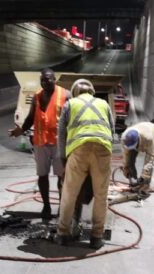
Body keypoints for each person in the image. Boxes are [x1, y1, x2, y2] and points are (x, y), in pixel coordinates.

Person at [55, 79, 115, 249]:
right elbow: (111, 129)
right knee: (101, 196)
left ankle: (62, 234)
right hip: (103, 149)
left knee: (69, 194)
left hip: (79, 150)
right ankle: (96, 237)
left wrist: (64, 160)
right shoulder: (104, 104)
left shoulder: (70, 104)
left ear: (75, 92)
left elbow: (61, 133)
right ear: (92, 92)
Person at [8, 68, 71, 219]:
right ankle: (46, 206)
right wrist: (21, 130)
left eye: (48, 79)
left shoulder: (66, 95)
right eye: (42, 80)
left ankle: (62, 207)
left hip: (59, 143)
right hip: (41, 142)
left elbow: (71, 119)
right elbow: (31, 117)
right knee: (42, 176)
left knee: (62, 177)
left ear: (54, 79)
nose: (45, 82)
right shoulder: (36, 97)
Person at [121, 118, 154, 192]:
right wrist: (126, 167)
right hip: (141, 130)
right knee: (130, 160)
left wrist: (144, 177)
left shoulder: (149, 139)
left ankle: (146, 185)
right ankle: (135, 178)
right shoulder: (125, 137)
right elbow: (126, 154)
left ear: (138, 141)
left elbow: (149, 159)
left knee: (149, 164)